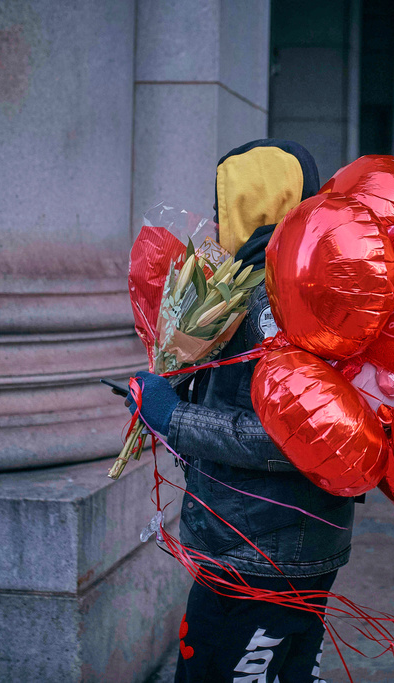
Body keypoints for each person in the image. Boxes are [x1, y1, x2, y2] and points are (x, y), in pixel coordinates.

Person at [128, 140, 352, 683]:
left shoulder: (275, 303)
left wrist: (173, 418)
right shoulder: (306, 286)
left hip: (258, 556)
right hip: (283, 545)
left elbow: (294, 437)